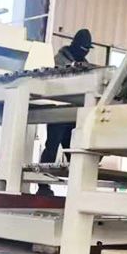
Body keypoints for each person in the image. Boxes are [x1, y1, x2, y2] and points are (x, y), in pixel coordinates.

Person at [39, 29, 93, 164]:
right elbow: (54, 84)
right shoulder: (59, 61)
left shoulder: (85, 64)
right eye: (83, 49)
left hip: (75, 114)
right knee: (52, 147)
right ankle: (42, 177)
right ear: (75, 45)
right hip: (59, 110)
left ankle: (74, 176)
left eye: (87, 49)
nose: (85, 52)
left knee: (73, 150)